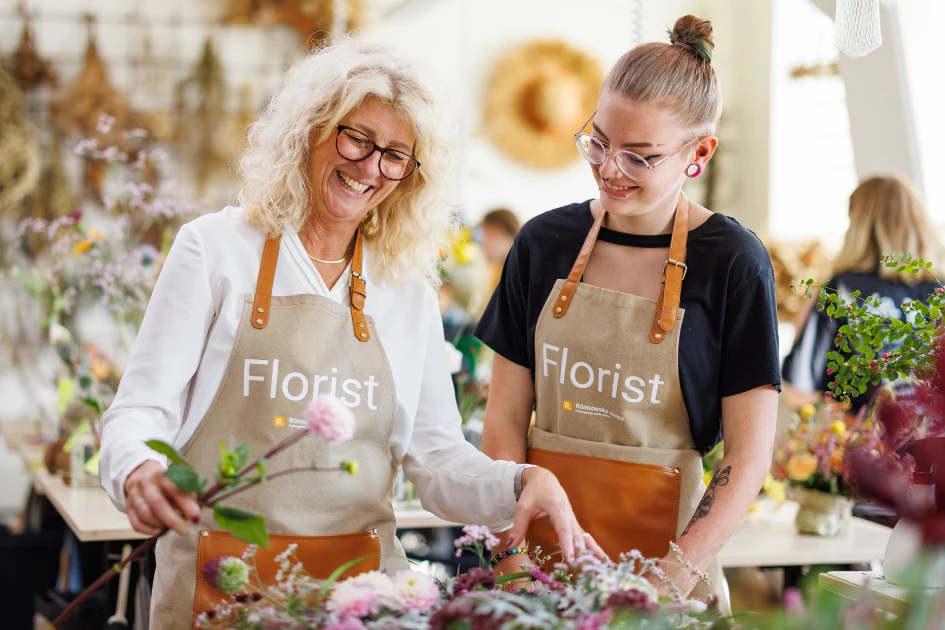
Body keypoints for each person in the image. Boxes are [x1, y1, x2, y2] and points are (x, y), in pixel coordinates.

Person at [98, 39, 597, 630]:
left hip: (360, 602)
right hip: (219, 590)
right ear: (310, 129)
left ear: (412, 174)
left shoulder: (404, 287)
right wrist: (136, 468)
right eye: (356, 137)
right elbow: (138, 411)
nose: (369, 167)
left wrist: (520, 483)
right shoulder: (214, 249)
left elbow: (435, 459)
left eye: (394, 154)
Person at [476, 16, 780, 611]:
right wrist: (510, 564)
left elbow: (747, 459)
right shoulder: (543, 244)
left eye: (640, 157)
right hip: (535, 574)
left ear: (700, 153)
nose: (610, 169)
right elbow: (504, 424)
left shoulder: (733, 264)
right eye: (599, 142)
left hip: (668, 578)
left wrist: (666, 584)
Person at [783, 175, 945, 412]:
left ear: (859, 224)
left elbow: (799, 390)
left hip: (865, 443)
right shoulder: (939, 288)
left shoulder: (842, 289)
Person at [479, 208, 522, 292]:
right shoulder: (499, 271)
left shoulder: (518, 273)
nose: (482, 243)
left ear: (497, 230)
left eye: (485, 233)